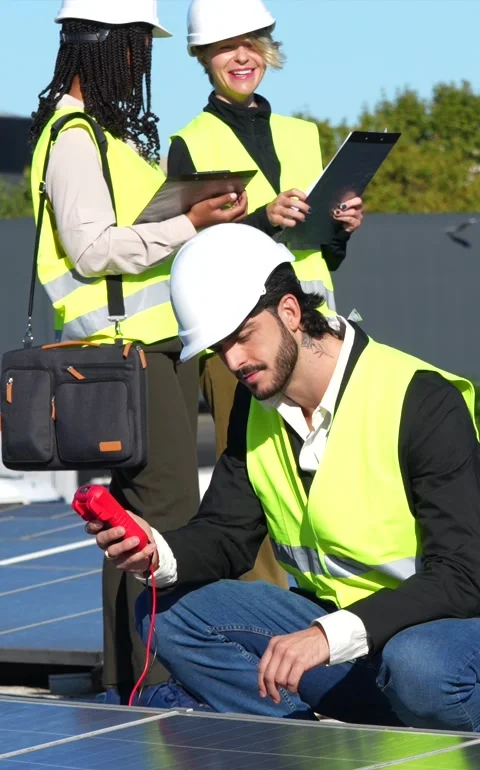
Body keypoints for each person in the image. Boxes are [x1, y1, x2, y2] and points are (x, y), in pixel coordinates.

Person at [90, 223, 480, 732]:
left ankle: (418, 713)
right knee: (167, 616)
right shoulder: (257, 408)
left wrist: (326, 635)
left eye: (243, 337)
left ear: (291, 312)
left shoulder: (421, 399)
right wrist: (155, 553)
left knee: (422, 669)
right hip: (343, 645)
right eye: (219, 348)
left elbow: (464, 576)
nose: (233, 361)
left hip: (438, 631)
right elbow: (226, 533)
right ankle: (303, 744)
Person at [30, 0, 247, 704]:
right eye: (133, 46)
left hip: (143, 358)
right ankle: (155, 682)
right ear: (100, 45)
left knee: (129, 527)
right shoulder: (72, 138)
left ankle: (131, 679)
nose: (139, 62)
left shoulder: (101, 134)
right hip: (128, 363)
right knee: (168, 520)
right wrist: (188, 221)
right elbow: (94, 250)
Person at [168, 0, 364, 589]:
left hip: (314, 327)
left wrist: (340, 228)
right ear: (203, 56)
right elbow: (190, 254)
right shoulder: (189, 144)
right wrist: (262, 221)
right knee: (255, 482)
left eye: (249, 42)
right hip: (241, 337)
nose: (240, 56)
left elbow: (318, 254)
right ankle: (265, 625)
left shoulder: (302, 134)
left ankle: (334, 607)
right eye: (225, 46)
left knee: (330, 473)